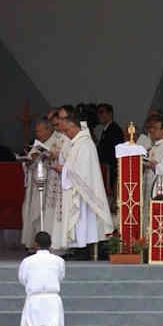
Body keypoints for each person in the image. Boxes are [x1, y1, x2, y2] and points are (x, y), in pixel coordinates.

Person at [56, 105, 112, 257]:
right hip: (76, 189)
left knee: (83, 220)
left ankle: (83, 248)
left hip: (84, 193)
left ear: (73, 125)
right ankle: (78, 247)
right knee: (79, 221)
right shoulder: (76, 142)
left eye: (67, 130)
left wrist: (63, 169)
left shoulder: (85, 144)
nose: (66, 133)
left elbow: (83, 172)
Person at [18, 231, 73, 326]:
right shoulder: (58, 260)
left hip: (35, 298)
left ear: (35, 244)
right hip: (52, 298)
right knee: (55, 325)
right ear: (50, 244)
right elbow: (60, 276)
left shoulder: (27, 261)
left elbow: (23, 278)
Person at [19, 117, 65, 249]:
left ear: (48, 130)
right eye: (36, 131)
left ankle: (48, 244)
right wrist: (29, 160)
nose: (37, 134)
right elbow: (30, 161)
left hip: (51, 184)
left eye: (39, 131)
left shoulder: (58, 141)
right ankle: (35, 242)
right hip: (37, 185)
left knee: (47, 214)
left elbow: (63, 159)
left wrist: (51, 156)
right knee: (34, 212)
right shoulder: (38, 144)